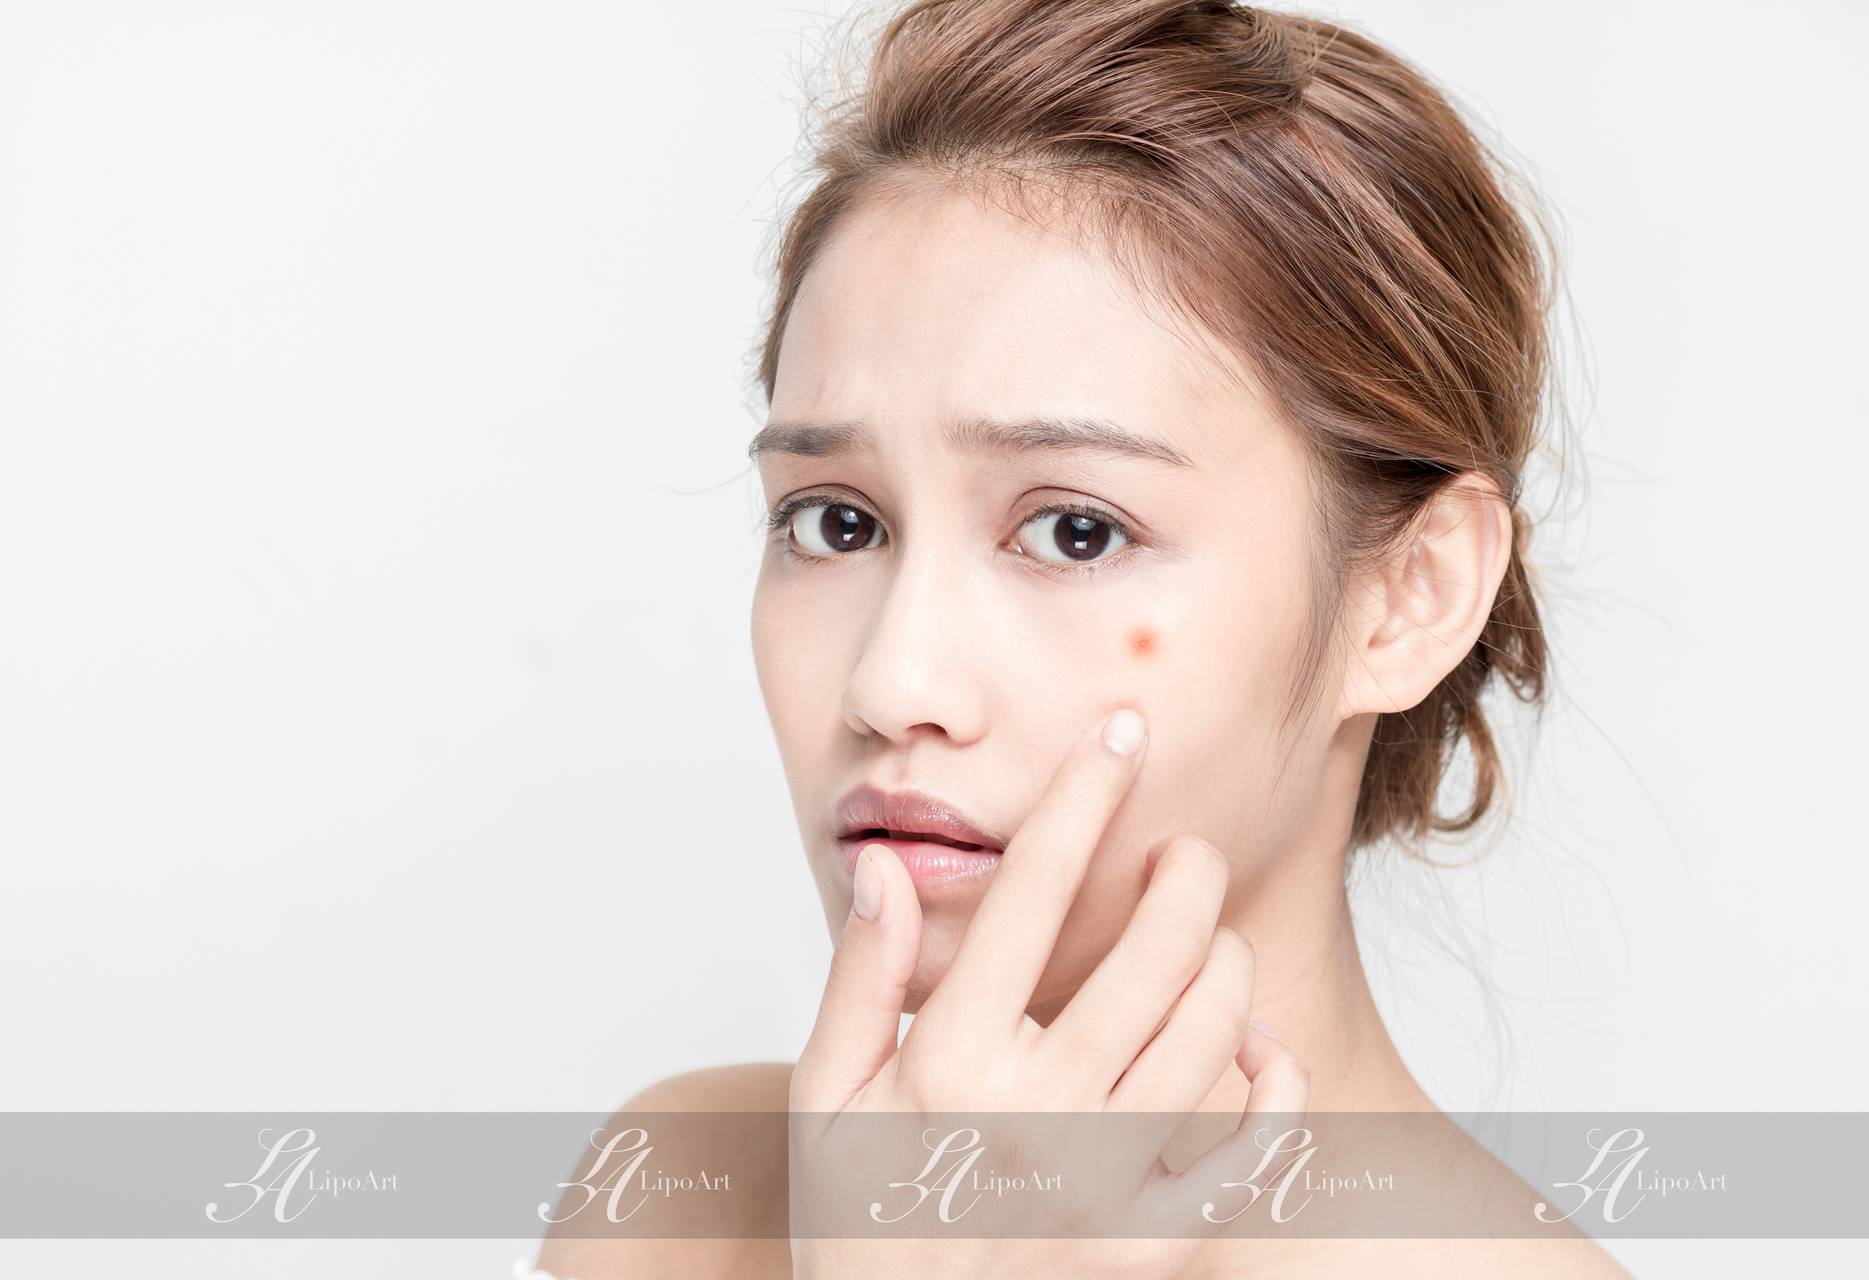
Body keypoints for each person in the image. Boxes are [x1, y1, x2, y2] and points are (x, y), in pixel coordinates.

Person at [543, 0, 1625, 1273]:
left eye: (1075, 531)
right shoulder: (679, 1196)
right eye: (836, 523)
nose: (891, 681)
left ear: (1411, 596)